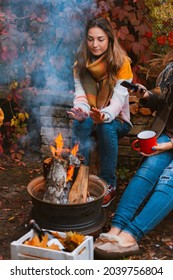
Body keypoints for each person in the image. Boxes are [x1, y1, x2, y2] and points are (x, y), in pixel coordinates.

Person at [94, 50, 173, 258]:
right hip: (167, 135)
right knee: (147, 171)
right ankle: (115, 229)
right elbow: (164, 100)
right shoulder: (171, 70)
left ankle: (130, 236)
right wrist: (146, 95)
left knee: (169, 181)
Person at [68, 17, 133, 207]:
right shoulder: (80, 64)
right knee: (81, 122)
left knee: (105, 126)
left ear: (109, 40)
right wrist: (81, 110)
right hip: (92, 114)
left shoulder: (122, 64)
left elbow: (118, 102)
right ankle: (79, 177)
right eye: (90, 39)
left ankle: (108, 184)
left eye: (100, 39)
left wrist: (103, 116)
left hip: (117, 119)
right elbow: (81, 96)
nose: (94, 44)